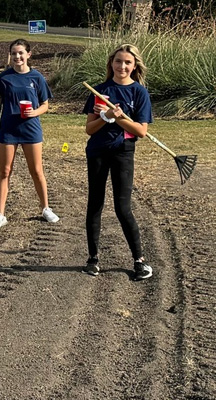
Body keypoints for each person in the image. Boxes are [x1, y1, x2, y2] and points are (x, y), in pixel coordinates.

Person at [82, 44, 153, 280]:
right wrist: (105, 116)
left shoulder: (139, 93)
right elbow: (89, 129)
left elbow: (141, 131)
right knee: (95, 203)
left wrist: (119, 118)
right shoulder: (100, 91)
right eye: (118, 61)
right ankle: (93, 259)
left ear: (134, 67)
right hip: (97, 152)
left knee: (123, 208)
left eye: (127, 63)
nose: (122, 66)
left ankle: (139, 261)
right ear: (111, 63)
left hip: (123, 152)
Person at [0, 39, 59, 231]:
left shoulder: (37, 77)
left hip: (31, 129)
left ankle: (45, 208)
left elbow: (45, 104)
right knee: (4, 171)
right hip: (8, 130)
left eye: (20, 53)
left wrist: (34, 112)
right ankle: (0, 214)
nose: (17, 57)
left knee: (36, 171)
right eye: (13, 53)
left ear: (28, 54)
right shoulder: (4, 78)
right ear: (10, 56)